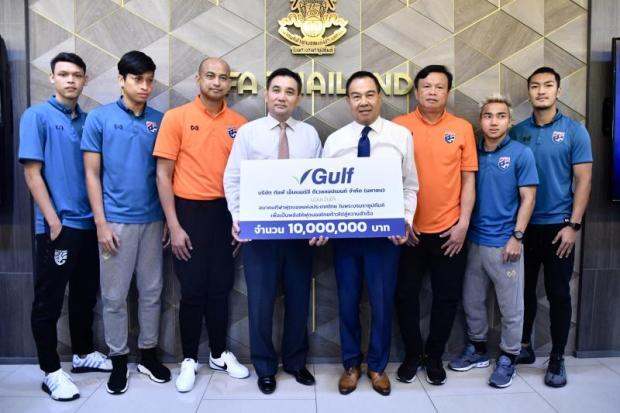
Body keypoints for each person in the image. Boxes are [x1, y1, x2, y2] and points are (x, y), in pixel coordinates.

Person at [18, 52, 112, 402]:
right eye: (64, 74)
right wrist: (53, 220)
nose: (71, 80)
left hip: (90, 224)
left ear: (85, 80)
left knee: (85, 295)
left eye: (77, 75)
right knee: (49, 301)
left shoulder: (88, 121)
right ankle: (50, 372)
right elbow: (32, 174)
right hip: (59, 226)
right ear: (52, 78)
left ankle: (83, 353)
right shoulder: (37, 116)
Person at [223, 68, 323, 395]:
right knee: (260, 304)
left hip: (300, 235)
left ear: (298, 98)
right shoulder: (248, 133)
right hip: (259, 235)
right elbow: (233, 178)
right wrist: (238, 216)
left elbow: (321, 183)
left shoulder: (309, 135)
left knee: (298, 301)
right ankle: (265, 367)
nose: (282, 97)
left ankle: (295, 362)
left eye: (290, 91)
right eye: (276, 90)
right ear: (266, 94)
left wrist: (321, 222)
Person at [154, 57, 249, 393]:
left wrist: (241, 221)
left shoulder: (240, 124)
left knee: (221, 288)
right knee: (193, 290)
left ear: (229, 83)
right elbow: (163, 175)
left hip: (225, 213)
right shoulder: (176, 117)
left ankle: (219, 354)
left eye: (223, 77)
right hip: (188, 212)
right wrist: (174, 224)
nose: (217, 82)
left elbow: (246, 177)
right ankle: (189, 359)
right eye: (210, 76)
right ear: (198, 79)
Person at [322, 71, 418, 396]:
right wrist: (321, 224)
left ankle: (377, 366)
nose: (363, 101)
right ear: (348, 100)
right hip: (345, 238)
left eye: (369, 94)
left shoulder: (400, 136)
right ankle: (351, 364)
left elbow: (410, 186)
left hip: (385, 239)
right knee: (347, 302)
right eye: (356, 96)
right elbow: (323, 192)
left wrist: (405, 221)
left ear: (379, 96)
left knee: (382, 302)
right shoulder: (335, 141)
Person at [82, 51, 170, 395]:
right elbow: (91, 174)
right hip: (115, 223)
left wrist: (168, 219)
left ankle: (148, 355)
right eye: (137, 79)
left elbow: (165, 175)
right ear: (121, 80)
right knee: (114, 296)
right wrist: (101, 223)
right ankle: (118, 360)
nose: (145, 86)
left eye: (149, 80)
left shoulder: (160, 121)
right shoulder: (99, 119)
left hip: (153, 220)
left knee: (152, 292)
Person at [393, 65, 478, 385]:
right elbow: (388, 178)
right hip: (409, 232)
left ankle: (435, 356)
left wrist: (463, 224)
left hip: (449, 232)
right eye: (426, 86)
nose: (432, 92)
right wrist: (400, 221)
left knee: (446, 297)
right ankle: (413, 354)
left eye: (439, 87)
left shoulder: (462, 128)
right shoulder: (399, 127)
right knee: (405, 296)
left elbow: (468, 180)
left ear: (447, 92)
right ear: (416, 91)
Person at [448, 95, 538, 388]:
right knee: (472, 301)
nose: (494, 121)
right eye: (488, 116)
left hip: (505, 244)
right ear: (481, 121)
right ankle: (478, 349)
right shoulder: (472, 153)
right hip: (473, 240)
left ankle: (509, 356)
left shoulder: (521, 153)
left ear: (510, 122)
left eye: (501, 116)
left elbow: (528, 199)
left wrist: (517, 237)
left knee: (511, 307)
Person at [510, 67, 592, 387]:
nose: (541, 91)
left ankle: (557, 357)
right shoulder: (517, 132)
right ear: (528, 92)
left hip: (559, 228)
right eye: (535, 86)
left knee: (558, 293)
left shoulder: (575, 131)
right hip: (524, 228)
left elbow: (584, 181)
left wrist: (574, 225)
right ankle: (524, 347)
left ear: (558, 91)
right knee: (523, 292)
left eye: (548, 85)